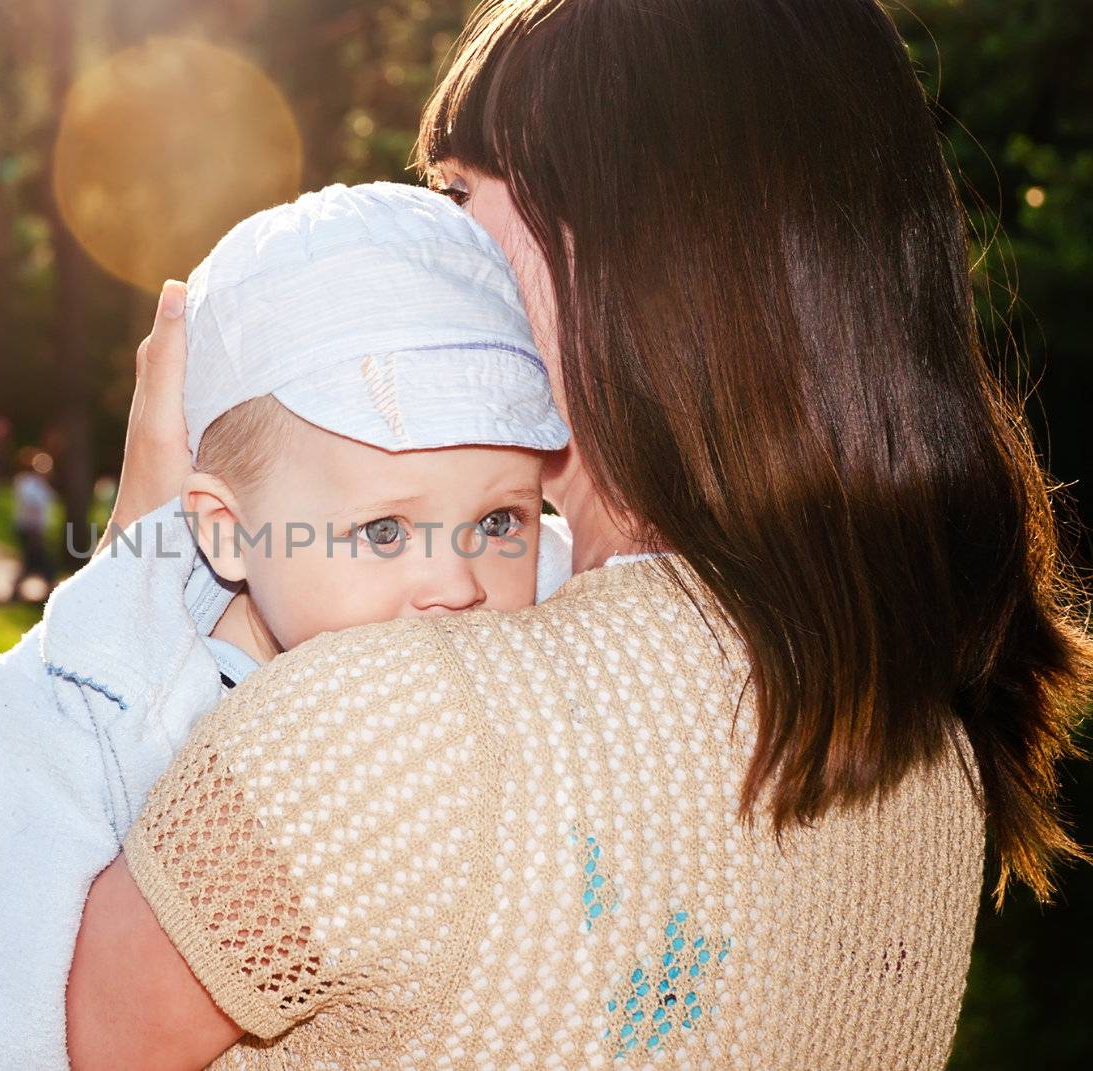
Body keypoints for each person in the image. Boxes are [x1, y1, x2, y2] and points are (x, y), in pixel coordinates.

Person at [56, 3, 1092, 1069]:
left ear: (632, 252)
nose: (426, 238)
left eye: (456, 194)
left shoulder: (398, 726)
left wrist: (144, 570)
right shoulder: (929, 744)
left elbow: (27, 1036)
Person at [0, 183, 573, 1067]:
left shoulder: (561, 632)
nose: (456, 583)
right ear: (227, 529)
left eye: (499, 522)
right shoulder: (88, 716)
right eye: (384, 530)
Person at [10, 446, 59, 597]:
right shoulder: (27, 483)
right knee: (39, 563)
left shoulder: (39, 484)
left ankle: (18, 594)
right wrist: (35, 532)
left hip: (36, 529)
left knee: (33, 563)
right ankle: (52, 593)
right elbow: (32, 507)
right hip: (30, 529)